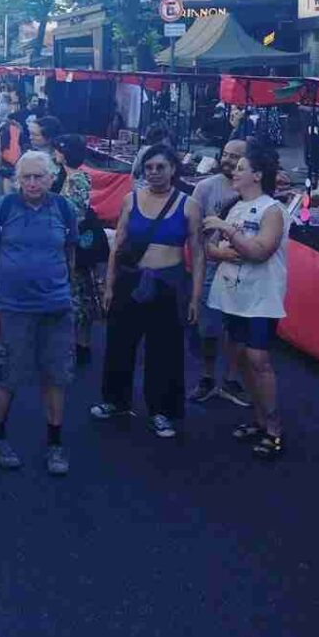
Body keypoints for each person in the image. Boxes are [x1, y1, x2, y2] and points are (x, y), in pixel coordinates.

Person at [91, 144, 204, 439]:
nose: (154, 173)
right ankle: (115, 400)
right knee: (119, 343)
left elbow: (198, 252)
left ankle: (160, 411)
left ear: (173, 170)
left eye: (160, 167)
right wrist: (109, 284)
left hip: (169, 284)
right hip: (132, 280)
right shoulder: (131, 200)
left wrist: (195, 296)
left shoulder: (188, 205)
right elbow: (118, 244)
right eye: (149, 167)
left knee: (164, 350)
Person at [0, 152, 78, 475]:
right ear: (18, 179)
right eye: (26, 177)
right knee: (8, 375)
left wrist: (66, 291)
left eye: (39, 177)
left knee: (56, 376)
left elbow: (70, 253)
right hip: (14, 309)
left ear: (52, 178)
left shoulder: (64, 209)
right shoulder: (3, 208)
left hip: (57, 307)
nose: (32, 183)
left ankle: (55, 444)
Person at [203, 146, 289, 459]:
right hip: (233, 295)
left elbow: (260, 251)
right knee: (239, 358)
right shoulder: (233, 206)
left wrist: (228, 232)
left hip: (261, 298)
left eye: (241, 167)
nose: (234, 172)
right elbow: (210, 247)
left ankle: (274, 429)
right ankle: (259, 418)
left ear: (257, 175)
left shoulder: (272, 210)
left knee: (258, 360)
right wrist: (220, 250)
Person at [188, 139, 252, 406]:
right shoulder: (205, 188)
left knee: (237, 329)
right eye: (224, 153)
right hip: (212, 268)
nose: (227, 160)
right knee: (209, 328)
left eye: (234, 156)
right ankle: (206, 376)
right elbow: (194, 234)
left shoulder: (252, 189)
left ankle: (231, 379)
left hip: (242, 269)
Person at [51, 134, 100, 365]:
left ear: (64, 153)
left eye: (58, 150)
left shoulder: (77, 180)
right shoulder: (64, 176)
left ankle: (82, 345)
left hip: (74, 247)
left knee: (79, 294)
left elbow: (76, 217)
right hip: (66, 245)